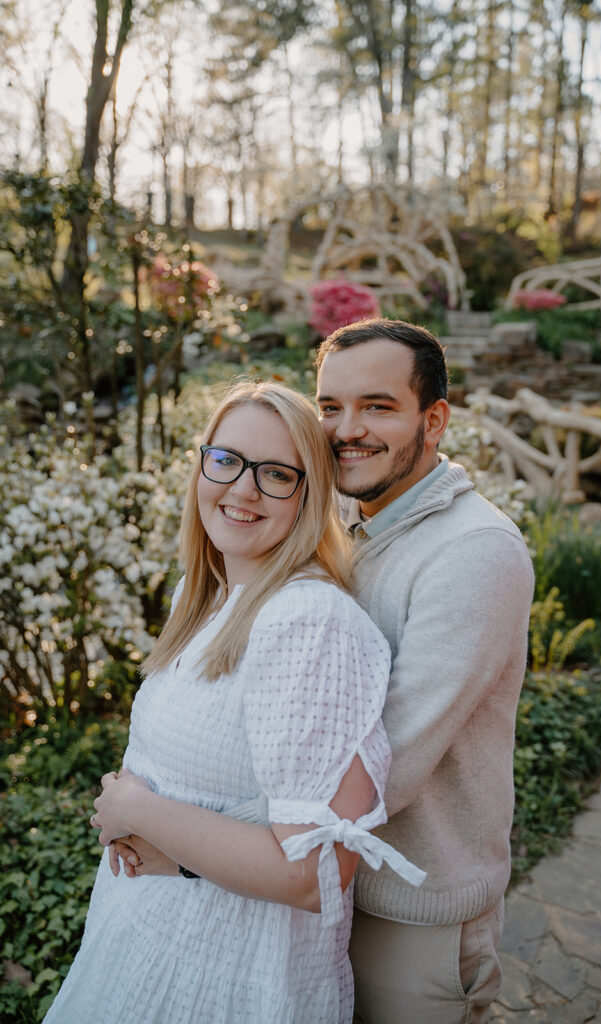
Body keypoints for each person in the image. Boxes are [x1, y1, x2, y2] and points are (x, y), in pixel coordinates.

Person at [44, 380, 425, 1024]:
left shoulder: (307, 621)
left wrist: (138, 807)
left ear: (310, 496)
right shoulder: (203, 595)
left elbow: (311, 876)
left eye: (276, 474)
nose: (242, 489)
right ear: (201, 464)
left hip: (232, 978)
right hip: (139, 945)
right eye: (225, 460)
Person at [314, 318, 535, 1024]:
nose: (347, 429)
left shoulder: (474, 552)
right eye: (329, 406)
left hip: (412, 910)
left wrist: (198, 834)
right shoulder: (345, 521)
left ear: (433, 419)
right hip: (324, 884)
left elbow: (391, 758)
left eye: (377, 406)